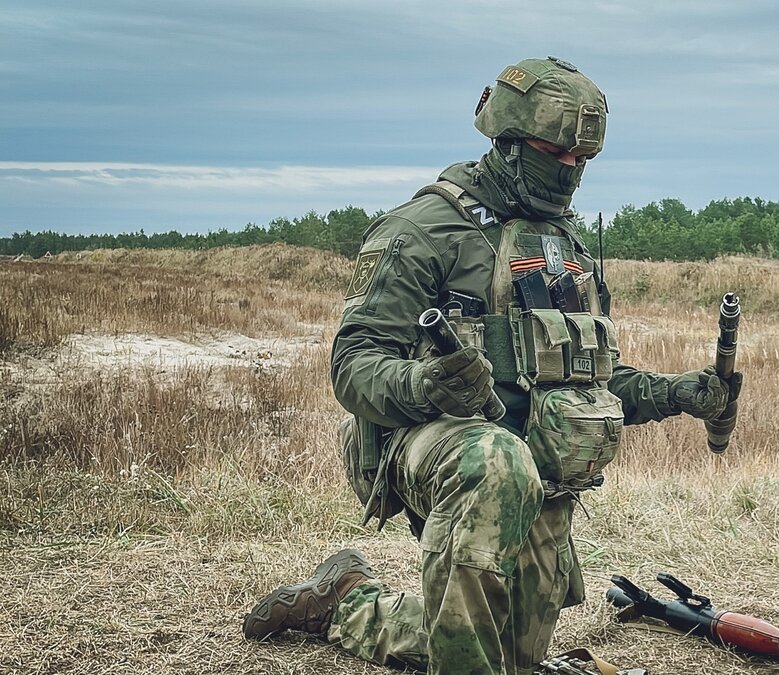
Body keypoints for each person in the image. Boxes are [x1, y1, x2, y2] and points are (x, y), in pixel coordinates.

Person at [241, 56, 741, 673]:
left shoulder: (563, 247)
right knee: (495, 463)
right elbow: (353, 364)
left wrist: (678, 393)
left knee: (495, 650)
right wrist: (426, 383)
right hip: (436, 448)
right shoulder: (426, 229)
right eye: (555, 154)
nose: (570, 171)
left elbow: (591, 378)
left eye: (582, 161)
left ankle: (343, 601)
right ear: (506, 141)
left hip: (534, 474)